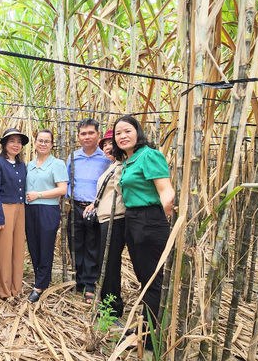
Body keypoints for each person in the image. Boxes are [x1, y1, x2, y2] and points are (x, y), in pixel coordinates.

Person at [111, 115, 175, 350]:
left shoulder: (149, 155)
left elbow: (165, 189)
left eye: (127, 131)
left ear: (138, 132)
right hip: (133, 219)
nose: (122, 136)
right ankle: (145, 326)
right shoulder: (129, 160)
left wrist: (169, 209)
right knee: (143, 277)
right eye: (118, 133)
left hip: (150, 220)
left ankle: (148, 337)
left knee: (152, 280)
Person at [83, 129, 128, 317]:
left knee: (109, 263)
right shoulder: (113, 165)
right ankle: (109, 301)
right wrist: (95, 203)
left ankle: (112, 307)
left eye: (111, 143)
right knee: (106, 262)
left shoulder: (124, 165)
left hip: (115, 219)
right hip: (104, 219)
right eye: (106, 145)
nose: (108, 148)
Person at [66, 119, 111, 304]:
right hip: (76, 205)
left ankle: (90, 284)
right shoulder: (74, 156)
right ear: (78, 136)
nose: (87, 137)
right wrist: (69, 196)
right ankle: (79, 280)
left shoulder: (106, 158)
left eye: (91, 133)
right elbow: (66, 179)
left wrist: (98, 203)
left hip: (96, 208)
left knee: (93, 245)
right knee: (75, 243)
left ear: (98, 135)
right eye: (83, 134)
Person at [24, 129, 68, 303]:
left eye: (46, 141)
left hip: (48, 210)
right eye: (40, 141)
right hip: (30, 210)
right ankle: (39, 278)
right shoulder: (29, 165)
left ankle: (40, 286)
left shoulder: (57, 164)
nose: (43, 144)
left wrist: (39, 195)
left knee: (45, 246)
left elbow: (62, 189)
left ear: (51, 145)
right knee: (33, 246)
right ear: (34, 143)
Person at [0, 128, 29, 300]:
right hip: (4, 208)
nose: (16, 145)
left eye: (19, 142)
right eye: (12, 141)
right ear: (4, 144)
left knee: (18, 249)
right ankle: (4, 290)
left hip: (20, 208)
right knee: (4, 250)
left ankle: (16, 288)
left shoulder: (22, 165)